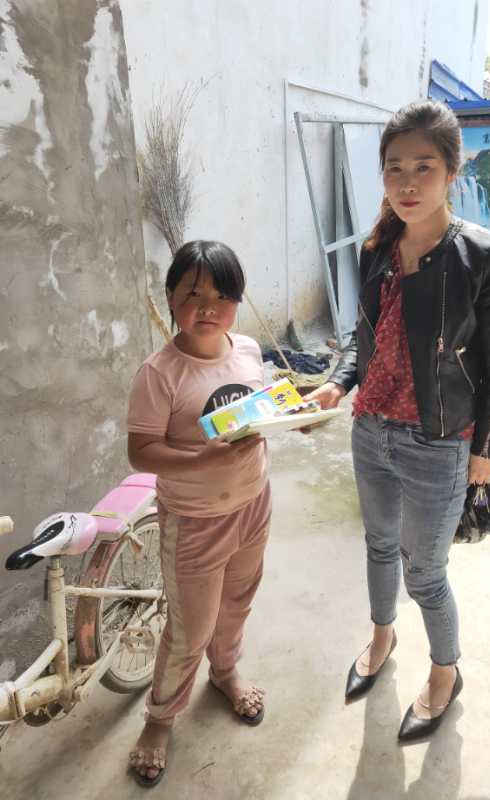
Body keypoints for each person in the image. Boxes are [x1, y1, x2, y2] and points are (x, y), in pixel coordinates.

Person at [306, 101, 490, 742]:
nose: (407, 182)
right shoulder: (377, 248)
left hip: (439, 440)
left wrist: (485, 449)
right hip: (370, 428)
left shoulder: (485, 255)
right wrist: (338, 382)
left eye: (423, 167)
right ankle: (382, 638)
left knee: (424, 572)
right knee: (377, 547)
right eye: (394, 168)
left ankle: (445, 674)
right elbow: (364, 336)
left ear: (451, 171)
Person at [126, 241, 270, 786]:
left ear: (237, 301)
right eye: (192, 294)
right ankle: (159, 720)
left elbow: (257, 415)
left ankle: (226, 672)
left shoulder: (248, 350)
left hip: (254, 504)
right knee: (190, 630)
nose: (208, 307)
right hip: (194, 521)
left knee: (237, 605)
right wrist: (201, 459)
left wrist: (292, 417)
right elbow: (141, 452)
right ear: (170, 298)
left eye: (222, 296)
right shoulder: (160, 373)